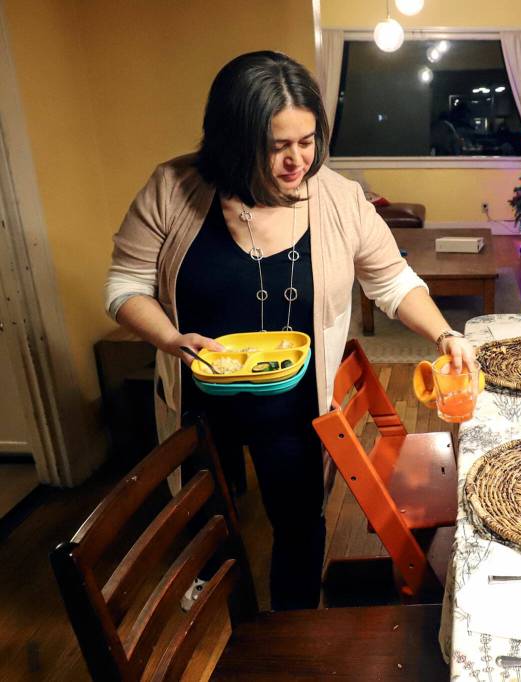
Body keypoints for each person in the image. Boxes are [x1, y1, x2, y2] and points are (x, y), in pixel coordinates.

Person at [104, 51, 475, 611]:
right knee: (206, 520)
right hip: (199, 398)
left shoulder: (339, 198)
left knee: (300, 524)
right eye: (278, 146)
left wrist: (444, 334)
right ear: (234, 138)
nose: (297, 160)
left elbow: (394, 281)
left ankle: (293, 627)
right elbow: (124, 286)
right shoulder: (173, 187)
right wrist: (168, 339)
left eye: (307, 140)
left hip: (295, 404)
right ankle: (220, 613)